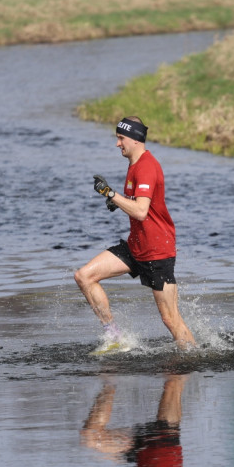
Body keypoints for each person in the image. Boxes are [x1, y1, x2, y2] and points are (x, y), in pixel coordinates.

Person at [74, 116, 197, 352]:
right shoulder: (134, 164)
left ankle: (193, 359)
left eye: (121, 138)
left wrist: (111, 194)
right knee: (84, 276)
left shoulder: (147, 166)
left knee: (171, 320)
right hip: (136, 246)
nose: (117, 144)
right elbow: (138, 205)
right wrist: (119, 201)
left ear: (135, 138)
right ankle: (114, 336)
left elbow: (140, 211)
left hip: (157, 252)